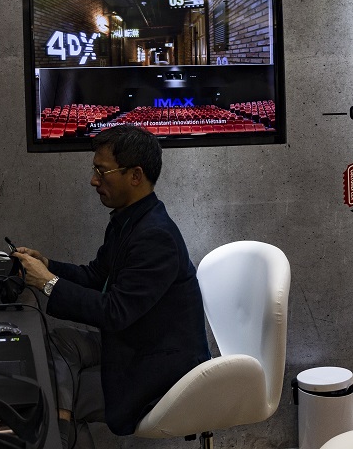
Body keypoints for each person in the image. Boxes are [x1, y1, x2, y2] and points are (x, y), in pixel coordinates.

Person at [12, 124, 210, 449]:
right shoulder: (129, 219)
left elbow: (114, 312)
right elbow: (96, 277)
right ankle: (63, 421)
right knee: (61, 343)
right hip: (135, 342)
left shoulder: (155, 237)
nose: (94, 180)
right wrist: (48, 265)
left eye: (102, 172)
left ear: (135, 176)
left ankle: (62, 425)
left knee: (55, 396)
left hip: (161, 369)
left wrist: (47, 283)